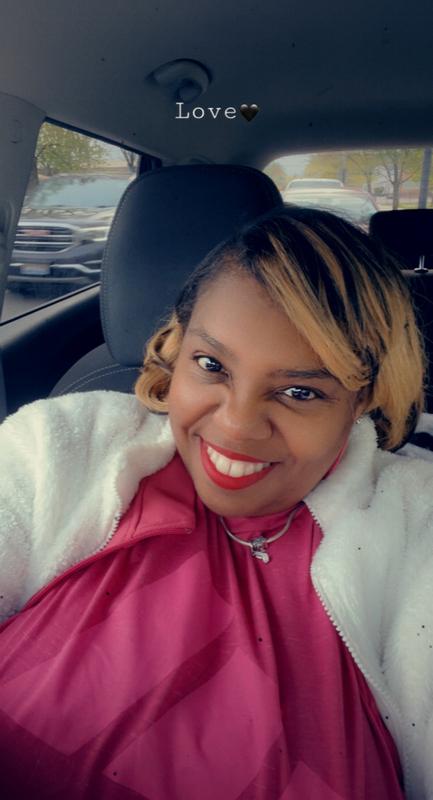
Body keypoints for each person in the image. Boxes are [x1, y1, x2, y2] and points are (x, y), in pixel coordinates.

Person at [0, 206, 432, 800]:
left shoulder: (417, 526)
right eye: (211, 366)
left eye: (299, 391)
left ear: (362, 399)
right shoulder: (60, 447)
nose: (236, 426)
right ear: (179, 349)